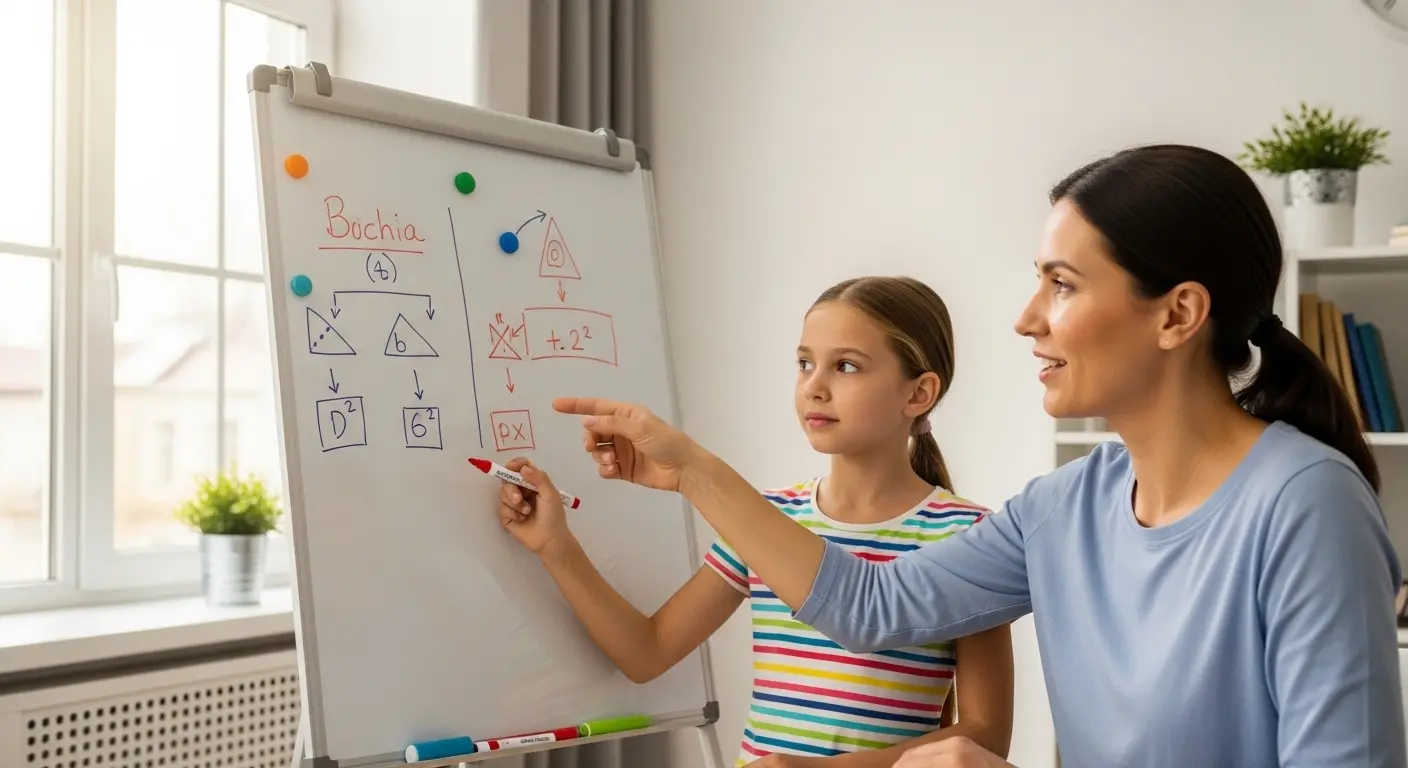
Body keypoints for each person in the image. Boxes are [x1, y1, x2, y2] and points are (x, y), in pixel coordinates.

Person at [544, 145, 1408, 767]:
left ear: (1177, 315)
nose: (1027, 318)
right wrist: (692, 467)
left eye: (1062, 284)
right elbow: (872, 603)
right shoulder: (1062, 509)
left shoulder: (1305, 503)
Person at [496, 276, 1015, 767]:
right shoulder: (768, 521)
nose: (814, 386)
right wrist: (555, 546)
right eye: (805, 363)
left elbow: (984, 734)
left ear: (918, 394)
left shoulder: (967, 537)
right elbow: (646, 652)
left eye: (848, 367)